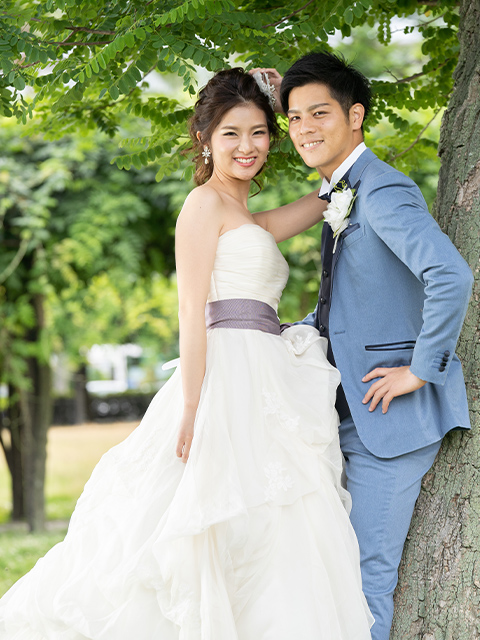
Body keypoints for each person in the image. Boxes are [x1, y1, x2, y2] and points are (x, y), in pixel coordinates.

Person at [0, 68, 374, 639]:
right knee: (209, 524)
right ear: (205, 138)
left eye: (258, 132)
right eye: (231, 133)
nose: (247, 146)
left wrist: (312, 133)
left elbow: (323, 195)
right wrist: (194, 407)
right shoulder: (202, 205)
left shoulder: (248, 217)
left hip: (267, 376)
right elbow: (190, 312)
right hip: (227, 377)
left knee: (275, 522)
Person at [254, 52, 473, 640]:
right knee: (323, 574)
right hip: (341, 410)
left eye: (319, 113)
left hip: (390, 419)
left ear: (355, 116)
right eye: (294, 117)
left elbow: (450, 275)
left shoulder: (382, 189)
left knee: (363, 581)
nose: (304, 128)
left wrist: (420, 370)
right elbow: (353, 303)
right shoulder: (339, 190)